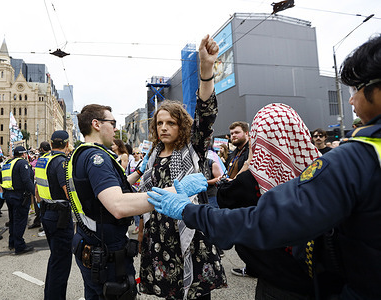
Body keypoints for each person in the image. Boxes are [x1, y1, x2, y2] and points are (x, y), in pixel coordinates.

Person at [147, 35, 381, 299]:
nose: (350, 101)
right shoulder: (152, 155)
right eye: (159, 124)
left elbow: (264, 222)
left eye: (354, 90)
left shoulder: (352, 162)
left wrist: (189, 209)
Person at [66, 104, 206, 299]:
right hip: (106, 251)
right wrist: (175, 192)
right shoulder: (97, 158)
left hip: (92, 243)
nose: (115, 128)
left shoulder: (81, 153)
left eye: (170, 123)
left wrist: (138, 173)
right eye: (112, 123)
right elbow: (118, 205)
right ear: (96, 124)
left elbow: (111, 190)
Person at [138, 34, 226, 300]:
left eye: (171, 123)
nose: (164, 127)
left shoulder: (193, 148)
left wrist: (206, 69)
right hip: (160, 238)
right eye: (160, 123)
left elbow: (206, 113)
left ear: (182, 126)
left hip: (191, 235)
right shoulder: (152, 154)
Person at [219, 103, 320, 298]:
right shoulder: (320, 168)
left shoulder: (251, 180)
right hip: (319, 277)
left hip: (277, 281)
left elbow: (226, 199)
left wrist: (247, 165)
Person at [35, 130, 73, 299]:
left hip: (46, 212)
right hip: (60, 217)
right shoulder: (62, 163)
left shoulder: (43, 160)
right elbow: (68, 192)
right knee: (61, 263)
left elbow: (37, 188)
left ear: (51, 144)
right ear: (66, 144)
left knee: (55, 259)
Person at [2, 146, 35, 254]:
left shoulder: (8, 163)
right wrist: (35, 193)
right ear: (23, 154)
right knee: (20, 222)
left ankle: (12, 242)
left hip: (9, 195)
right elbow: (26, 180)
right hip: (19, 196)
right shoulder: (22, 163)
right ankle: (19, 246)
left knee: (12, 220)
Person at [29, 142, 51, 230]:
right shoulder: (46, 158)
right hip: (42, 187)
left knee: (43, 208)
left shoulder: (45, 159)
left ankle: (43, 224)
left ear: (42, 149)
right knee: (40, 208)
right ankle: (39, 221)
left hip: (44, 189)